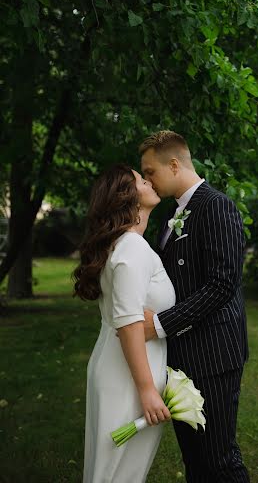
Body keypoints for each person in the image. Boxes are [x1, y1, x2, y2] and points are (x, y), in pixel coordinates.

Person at [140, 130, 250, 483]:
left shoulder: (216, 206)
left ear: (174, 164)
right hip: (184, 358)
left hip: (214, 355)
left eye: (150, 171)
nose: (147, 180)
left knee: (219, 460)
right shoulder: (174, 214)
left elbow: (222, 284)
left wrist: (159, 325)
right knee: (194, 460)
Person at [73, 163, 175, 483]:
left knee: (115, 471)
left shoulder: (123, 244)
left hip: (120, 370)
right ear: (127, 196)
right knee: (117, 475)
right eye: (141, 179)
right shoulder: (131, 247)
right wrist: (147, 391)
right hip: (128, 379)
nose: (149, 180)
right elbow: (129, 324)